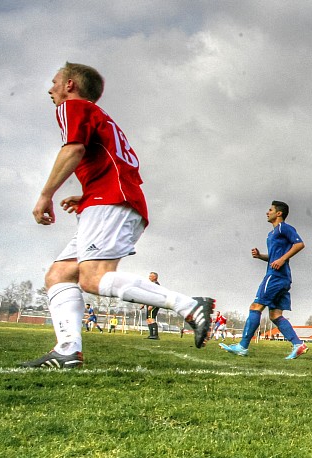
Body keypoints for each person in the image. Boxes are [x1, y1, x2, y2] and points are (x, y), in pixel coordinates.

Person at [23, 62, 214, 368]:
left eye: (55, 81)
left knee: (93, 278)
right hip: (108, 199)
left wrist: (46, 195)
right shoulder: (98, 117)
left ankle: (189, 305)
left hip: (111, 201)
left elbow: (73, 151)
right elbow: (112, 163)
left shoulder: (74, 108)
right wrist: (86, 196)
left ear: (70, 84)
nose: (51, 88)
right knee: (59, 274)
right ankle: (68, 349)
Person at [220, 200, 307, 360]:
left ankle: (243, 346)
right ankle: (298, 344)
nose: (267, 212)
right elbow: (274, 258)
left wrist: (282, 260)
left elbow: (299, 244)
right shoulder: (271, 234)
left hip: (275, 276)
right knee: (275, 315)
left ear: (279, 213)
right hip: (282, 277)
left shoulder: (283, 227)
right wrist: (261, 256)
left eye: (270, 210)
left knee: (255, 306)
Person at [144, 271, 162, 339]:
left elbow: (156, 295)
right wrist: (143, 303)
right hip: (149, 303)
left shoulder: (156, 285)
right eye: (149, 276)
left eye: (151, 276)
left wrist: (152, 304)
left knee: (151, 319)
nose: (149, 277)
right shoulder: (150, 285)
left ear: (155, 277)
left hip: (154, 304)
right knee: (148, 320)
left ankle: (155, 335)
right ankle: (151, 335)